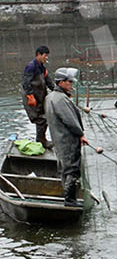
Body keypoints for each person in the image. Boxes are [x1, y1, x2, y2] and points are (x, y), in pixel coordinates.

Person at [46, 67, 87, 204]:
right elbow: (71, 121)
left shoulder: (50, 97)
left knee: (64, 168)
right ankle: (70, 200)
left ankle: (68, 197)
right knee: (72, 169)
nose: (71, 84)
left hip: (58, 140)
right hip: (67, 140)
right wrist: (81, 134)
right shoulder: (61, 99)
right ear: (61, 82)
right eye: (69, 82)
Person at [22, 44, 54, 144]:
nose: (46, 58)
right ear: (38, 55)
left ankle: (41, 139)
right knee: (40, 119)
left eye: (47, 55)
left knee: (45, 117)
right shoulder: (31, 66)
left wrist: (58, 91)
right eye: (45, 55)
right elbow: (25, 83)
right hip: (31, 97)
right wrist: (31, 96)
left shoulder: (42, 68)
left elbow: (48, 82)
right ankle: (41, 140)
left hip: (40, 97)